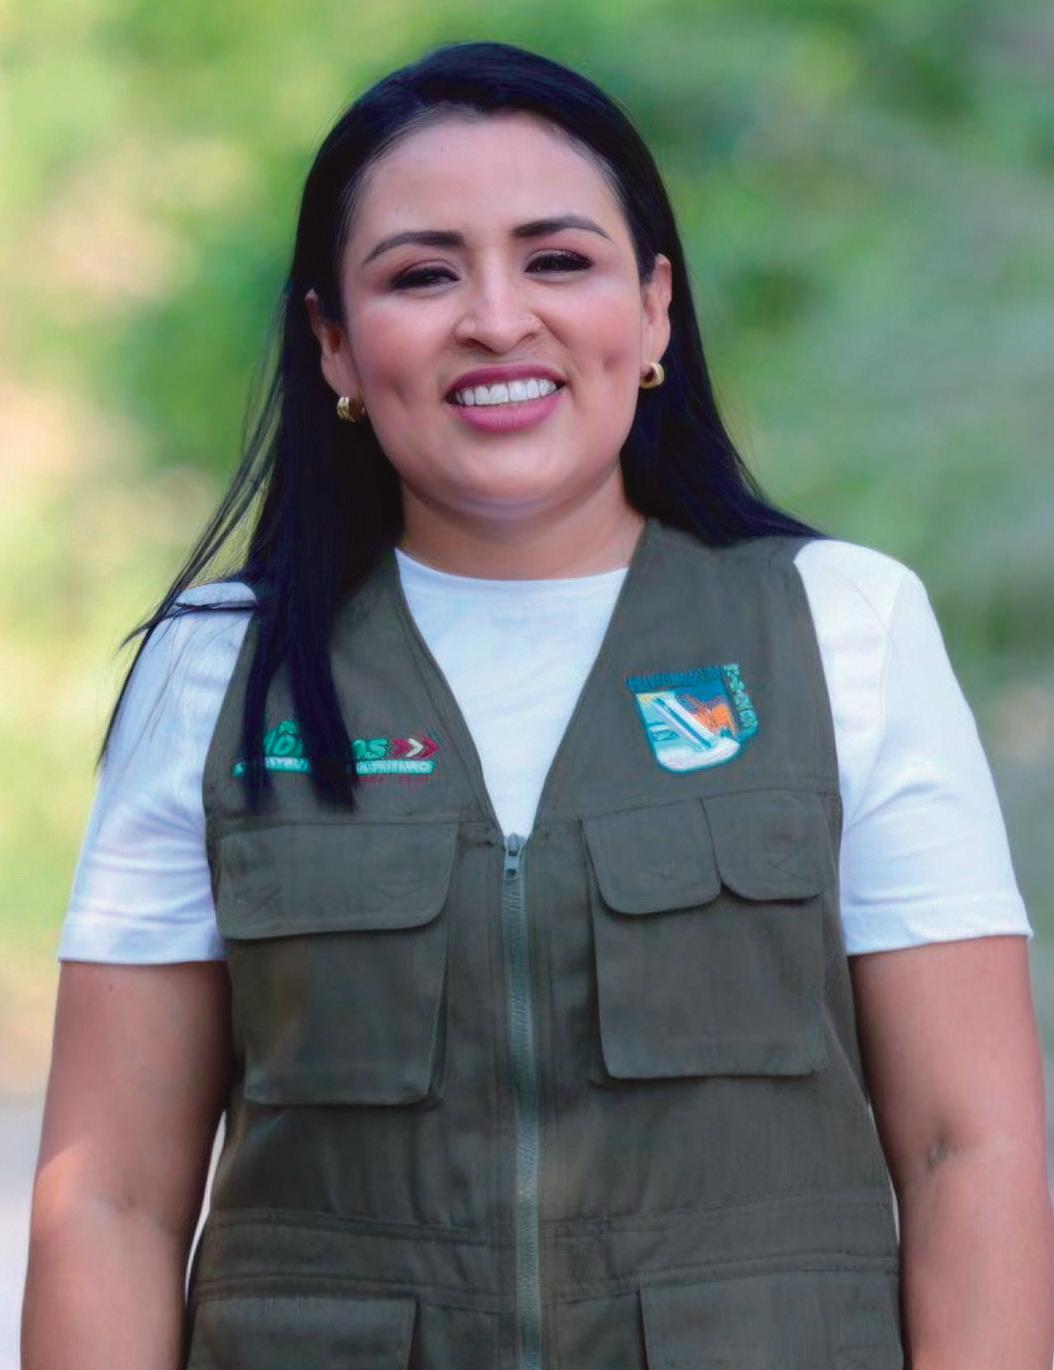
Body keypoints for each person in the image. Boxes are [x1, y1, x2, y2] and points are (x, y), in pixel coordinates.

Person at [22, 39, 1053, 1370]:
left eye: (557, 260)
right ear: (334, 341)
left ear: (655, 308)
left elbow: (968, 1147)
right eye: (422, 274)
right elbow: (109, 1199)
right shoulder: (220, 672)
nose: (498, 320)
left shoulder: (840, 627)